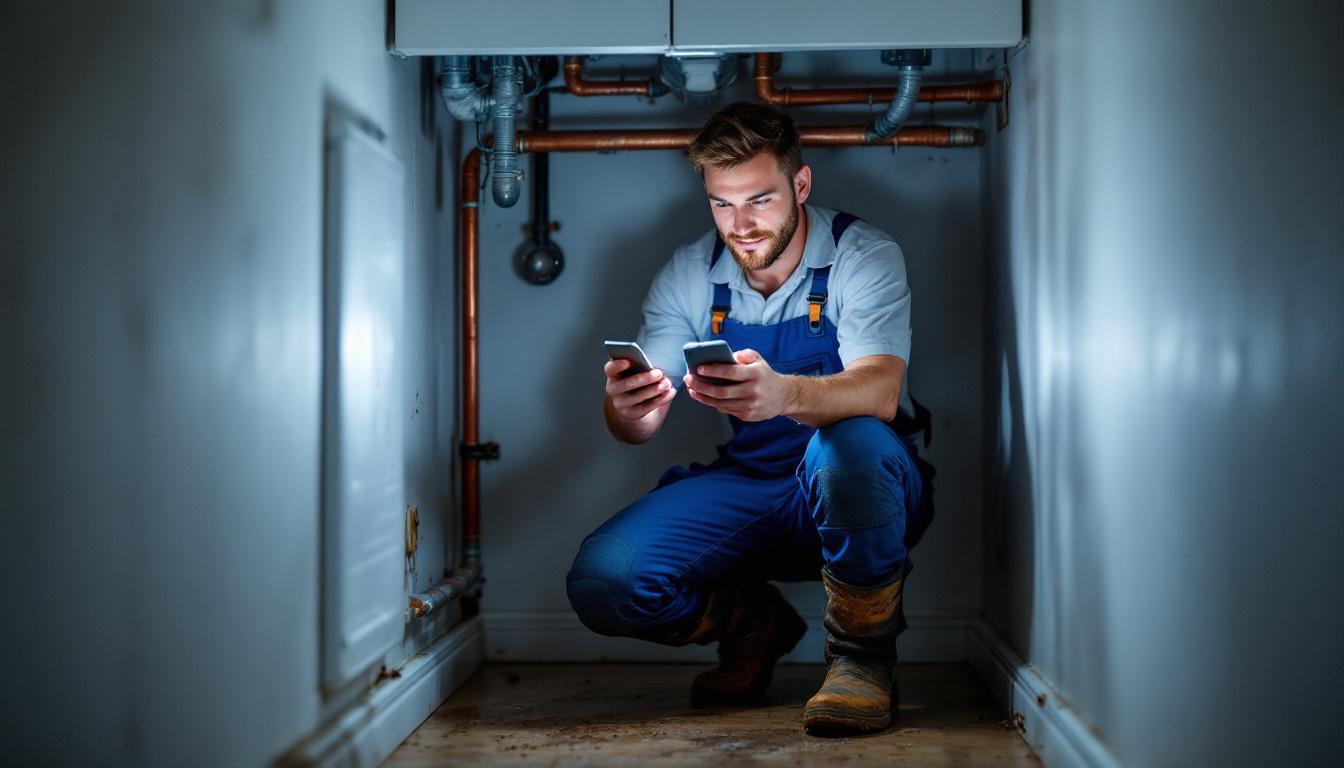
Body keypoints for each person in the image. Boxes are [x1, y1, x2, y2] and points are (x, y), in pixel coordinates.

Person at [566, 101, 935, 735]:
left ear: (800, 184)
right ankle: (753, 624)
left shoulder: (862, 254)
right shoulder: (689, 273)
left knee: (850, 448)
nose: (740, 225)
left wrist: (786, 395)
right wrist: (629, 409)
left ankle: (862, 663)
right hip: (754, 485)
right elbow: (639, 422)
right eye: (721, 204)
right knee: (605, 581)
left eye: (759, 201)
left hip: (865, 482)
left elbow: (879, 389)